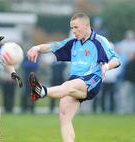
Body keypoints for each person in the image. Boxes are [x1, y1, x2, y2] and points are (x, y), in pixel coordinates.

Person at [27, 12, 121, 142]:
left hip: (91, 79)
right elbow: (51, 46)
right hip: (75, 80)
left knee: (68, 86)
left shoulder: (99, 40)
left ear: (86, 26)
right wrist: (36, 47)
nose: (74, 31)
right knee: (64, 116)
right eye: (72, 28)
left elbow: (116, 59)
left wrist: (107, 67)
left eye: (76, 27)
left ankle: (41, 91)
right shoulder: (73, 42)